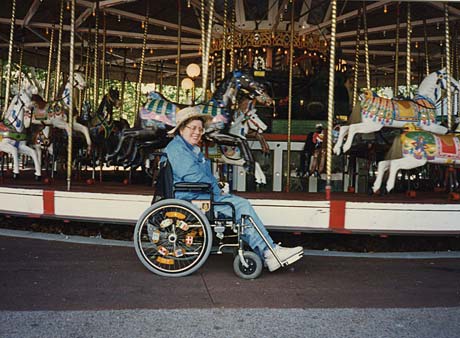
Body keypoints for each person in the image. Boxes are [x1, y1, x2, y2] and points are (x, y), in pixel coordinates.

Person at [164, 106, 303, 272]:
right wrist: (218, 189)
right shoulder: (178, 149)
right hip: (192, 198)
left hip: (198, 194)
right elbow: (195, 177)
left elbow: (200, 176)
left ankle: (268, 250)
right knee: (241, 206)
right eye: (192, 128)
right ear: (181, 128)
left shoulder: (187, 148)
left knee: (238, 207)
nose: (197, 132)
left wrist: (217, 186)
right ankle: (269, 251)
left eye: (200, 129)